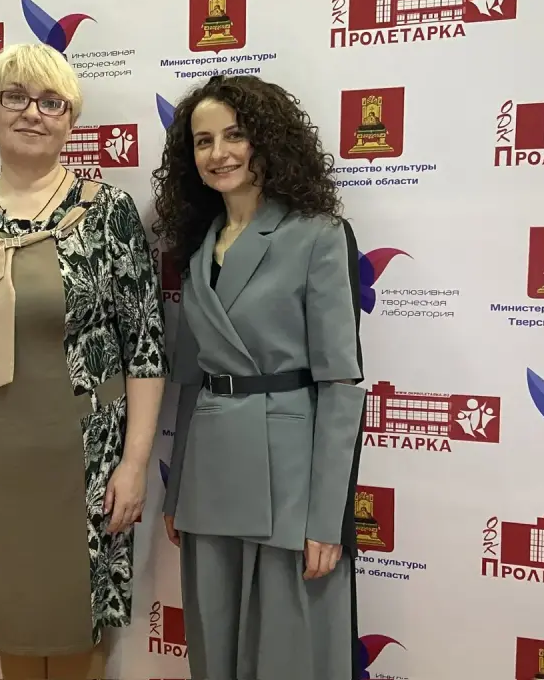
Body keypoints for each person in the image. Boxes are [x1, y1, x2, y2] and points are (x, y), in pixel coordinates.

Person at [0, 42, 167, 680]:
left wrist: (134, 464)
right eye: (14, 97)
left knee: (75, 617)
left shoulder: (107, 212)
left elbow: (145, 347)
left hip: (85, 460)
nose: (32, 112)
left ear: (71, 121)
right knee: (12, 614)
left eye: (52, 102)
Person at [154, 74, 366, 679]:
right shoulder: (199, 248)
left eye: (234, 136)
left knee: (286, 653)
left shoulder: (317, 235)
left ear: (266, 141)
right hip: (210, 479)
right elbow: (191, 382)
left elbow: (339, 384)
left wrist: (328, 519)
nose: (218, 153)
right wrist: (177, 491)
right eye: (203, 141)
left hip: (288, 480)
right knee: (213, 648)